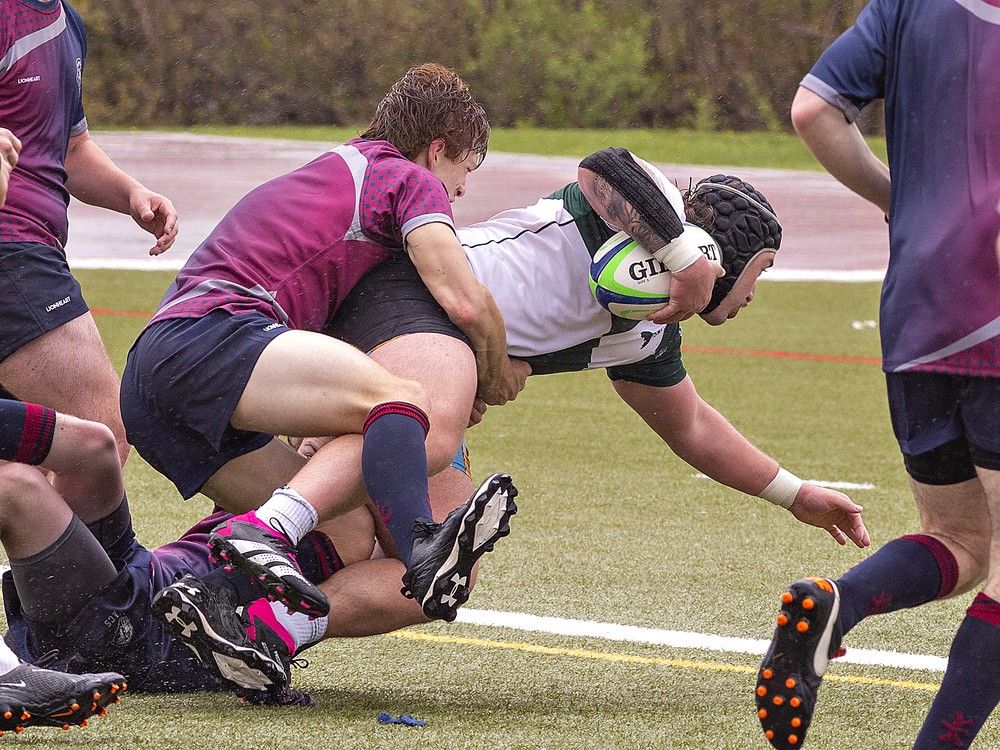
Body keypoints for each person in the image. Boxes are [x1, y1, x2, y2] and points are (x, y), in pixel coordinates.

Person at [153, 150, 870, 690]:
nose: (756, 294)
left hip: (446, 352)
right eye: (761, 271)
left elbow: (693, 428)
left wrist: (794, 492)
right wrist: (684, 254)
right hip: (417, 296)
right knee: (430, 431)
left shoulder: (652, 333)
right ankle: (257, 535)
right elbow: (603, 169)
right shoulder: (651, 218)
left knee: (438, 575)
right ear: (727, 253)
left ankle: (260, 630)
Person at [120, 63, 523, 627]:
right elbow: (464, 300)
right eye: (465, 169)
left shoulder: (338, 171)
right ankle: (421, 549)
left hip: (153, 389)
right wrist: (495, 371)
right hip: (210, 334)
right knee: (405, 401)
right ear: (437, 151)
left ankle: (134, 612)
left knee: (346, 530)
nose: (461, 189)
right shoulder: (404, 177)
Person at [755, 3, 1000, 749]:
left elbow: (812, 109)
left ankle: (839, 600)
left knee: (960, 543)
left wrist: (914, 208)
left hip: (919, 299)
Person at [0, 398, 368, 706]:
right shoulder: (281, 495)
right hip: (140, 575)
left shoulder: (354, 527)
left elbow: (409, 588)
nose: (321, 437)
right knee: (95, 446)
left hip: (146, 634)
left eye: (339, 439)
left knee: (17, 487)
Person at [0, 0, 178, 483]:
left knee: (22, 466)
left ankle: (35, 562)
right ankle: (60, 564)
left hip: (33, 249)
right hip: (12, 252)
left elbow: (73, 147)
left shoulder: (68, 22)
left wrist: (131, 194)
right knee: (98, 436)